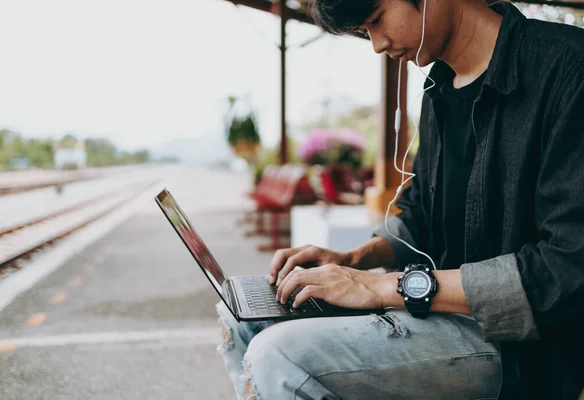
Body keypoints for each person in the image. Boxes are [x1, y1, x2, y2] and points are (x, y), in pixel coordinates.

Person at [215, 0, 584, 398]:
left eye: (376, 20)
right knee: (242, 319)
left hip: (523, 347)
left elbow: (565, 269)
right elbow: (419, 213)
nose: (376, 44)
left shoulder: (567, 68)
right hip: (440, 311)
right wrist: (352, 260)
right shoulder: (438, 91)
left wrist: (380, 288)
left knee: (279, 355)